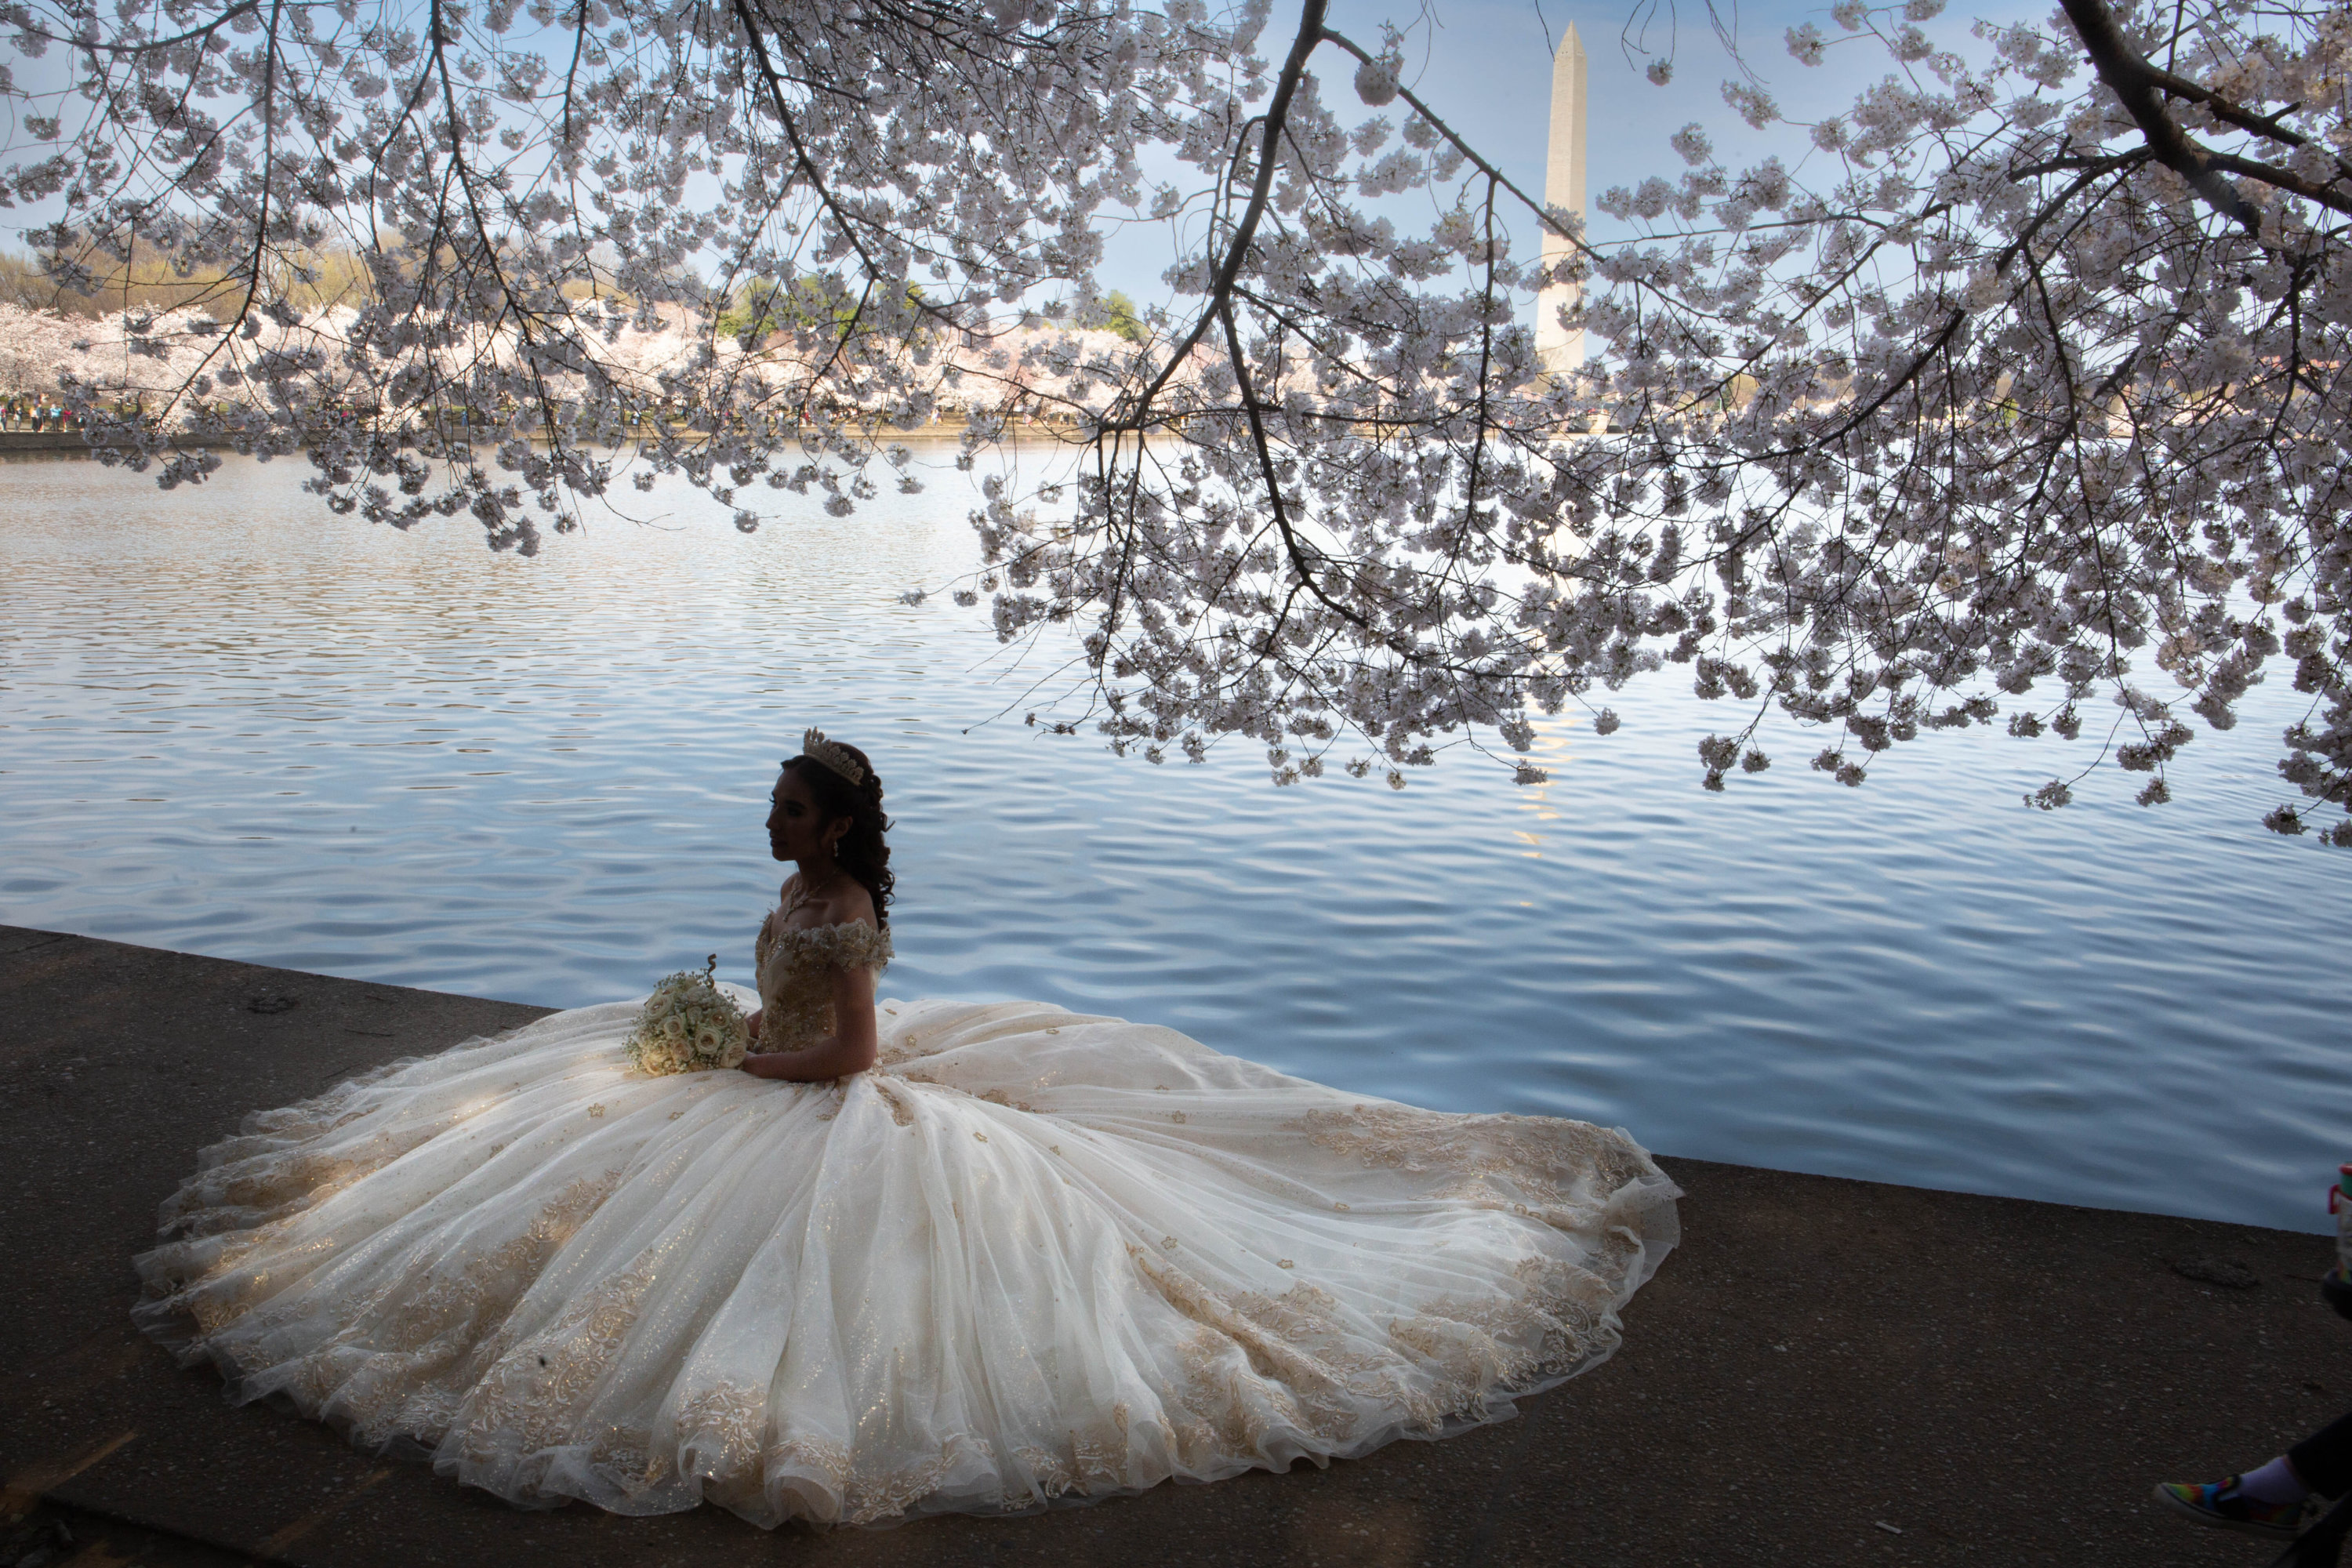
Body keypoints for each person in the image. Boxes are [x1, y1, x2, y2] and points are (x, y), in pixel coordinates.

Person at [132, 731, 1680, 1529]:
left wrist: (750, 1068)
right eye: (773, 810)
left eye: (788, 814)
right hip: (765, 1068)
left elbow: (855, 1052)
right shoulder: (809, 893)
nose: (771, 827)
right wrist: (724, 1035)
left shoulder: (853, 911)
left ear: (834, 832)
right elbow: (788, 1004)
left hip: (821, 1098)